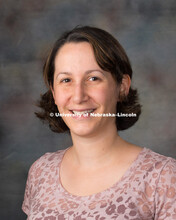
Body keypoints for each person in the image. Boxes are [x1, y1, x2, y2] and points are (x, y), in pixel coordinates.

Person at [22, 26, 176, 220]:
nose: (78, 96)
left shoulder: (163, 177)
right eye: (66, 80)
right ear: (53, 91)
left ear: (122, 86)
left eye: (93, 78)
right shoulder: (41, 171)